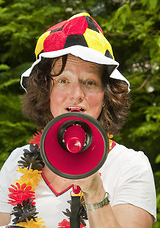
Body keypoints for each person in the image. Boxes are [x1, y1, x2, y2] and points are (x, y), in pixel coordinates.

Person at [0, 12, 156, 228]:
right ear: (46, 92)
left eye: (89, 82)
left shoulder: (131, 165)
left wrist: (94, 192)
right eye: (63, 80)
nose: (76, 94)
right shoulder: (17, 162)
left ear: (106, 95)